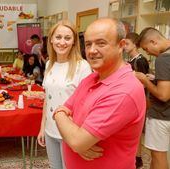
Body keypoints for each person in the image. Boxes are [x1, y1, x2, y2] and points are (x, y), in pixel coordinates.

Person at [53, 18, 146, 169]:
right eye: (88, 44)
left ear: (121, 45)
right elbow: (65, 112)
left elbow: (77, 141)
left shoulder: (124, 91)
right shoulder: (92, 78)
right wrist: (59, 114)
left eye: (101, 43)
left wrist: (61, 117)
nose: (91, 50)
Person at [37, 20, 92, 169]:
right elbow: (48, 100)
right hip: (50, 130)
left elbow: (86, 105)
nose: (62, 42)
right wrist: (42, 128)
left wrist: (84, 139)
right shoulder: (49, 64)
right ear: (51, 40)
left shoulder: (83, 67)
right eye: (58, 37)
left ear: (74, 42)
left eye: (67, 38)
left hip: (70, 133)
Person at [135, 27, 170, 169]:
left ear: (153, 42)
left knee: (158, 156)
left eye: (146, 48)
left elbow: (163, 95)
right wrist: (156, 79)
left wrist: (144, 80)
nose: (147, 53)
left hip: (161, 116)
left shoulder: (163, 58)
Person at [124, 32, 150, 168]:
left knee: (137, 132)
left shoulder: (140, 61)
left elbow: (144, 82)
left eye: (127, 44)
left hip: (139, 99)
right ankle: (135, 155)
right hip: (131, 99)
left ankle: (138, 157)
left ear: (135, 44)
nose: (124, 47)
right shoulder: (130, 60)